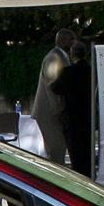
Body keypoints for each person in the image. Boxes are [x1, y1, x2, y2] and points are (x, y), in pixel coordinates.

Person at [31, 29, 75, 164]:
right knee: (56, 149)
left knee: (58, 149)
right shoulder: (54, 58)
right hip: (49, 112)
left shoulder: (62, 56)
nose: (74, 43)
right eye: (71, 40)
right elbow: (52, 87)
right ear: (63, 40)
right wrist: (59, 111)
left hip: (53, 112)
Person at [57, 41, 95, 177]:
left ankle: (79, 177)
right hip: (88, 116)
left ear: (72, 55)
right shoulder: (92, 71)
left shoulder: (68, 72)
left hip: (72, 117)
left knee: (76, 152)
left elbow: (55, 88)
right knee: (87, 150)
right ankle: (90, 174)